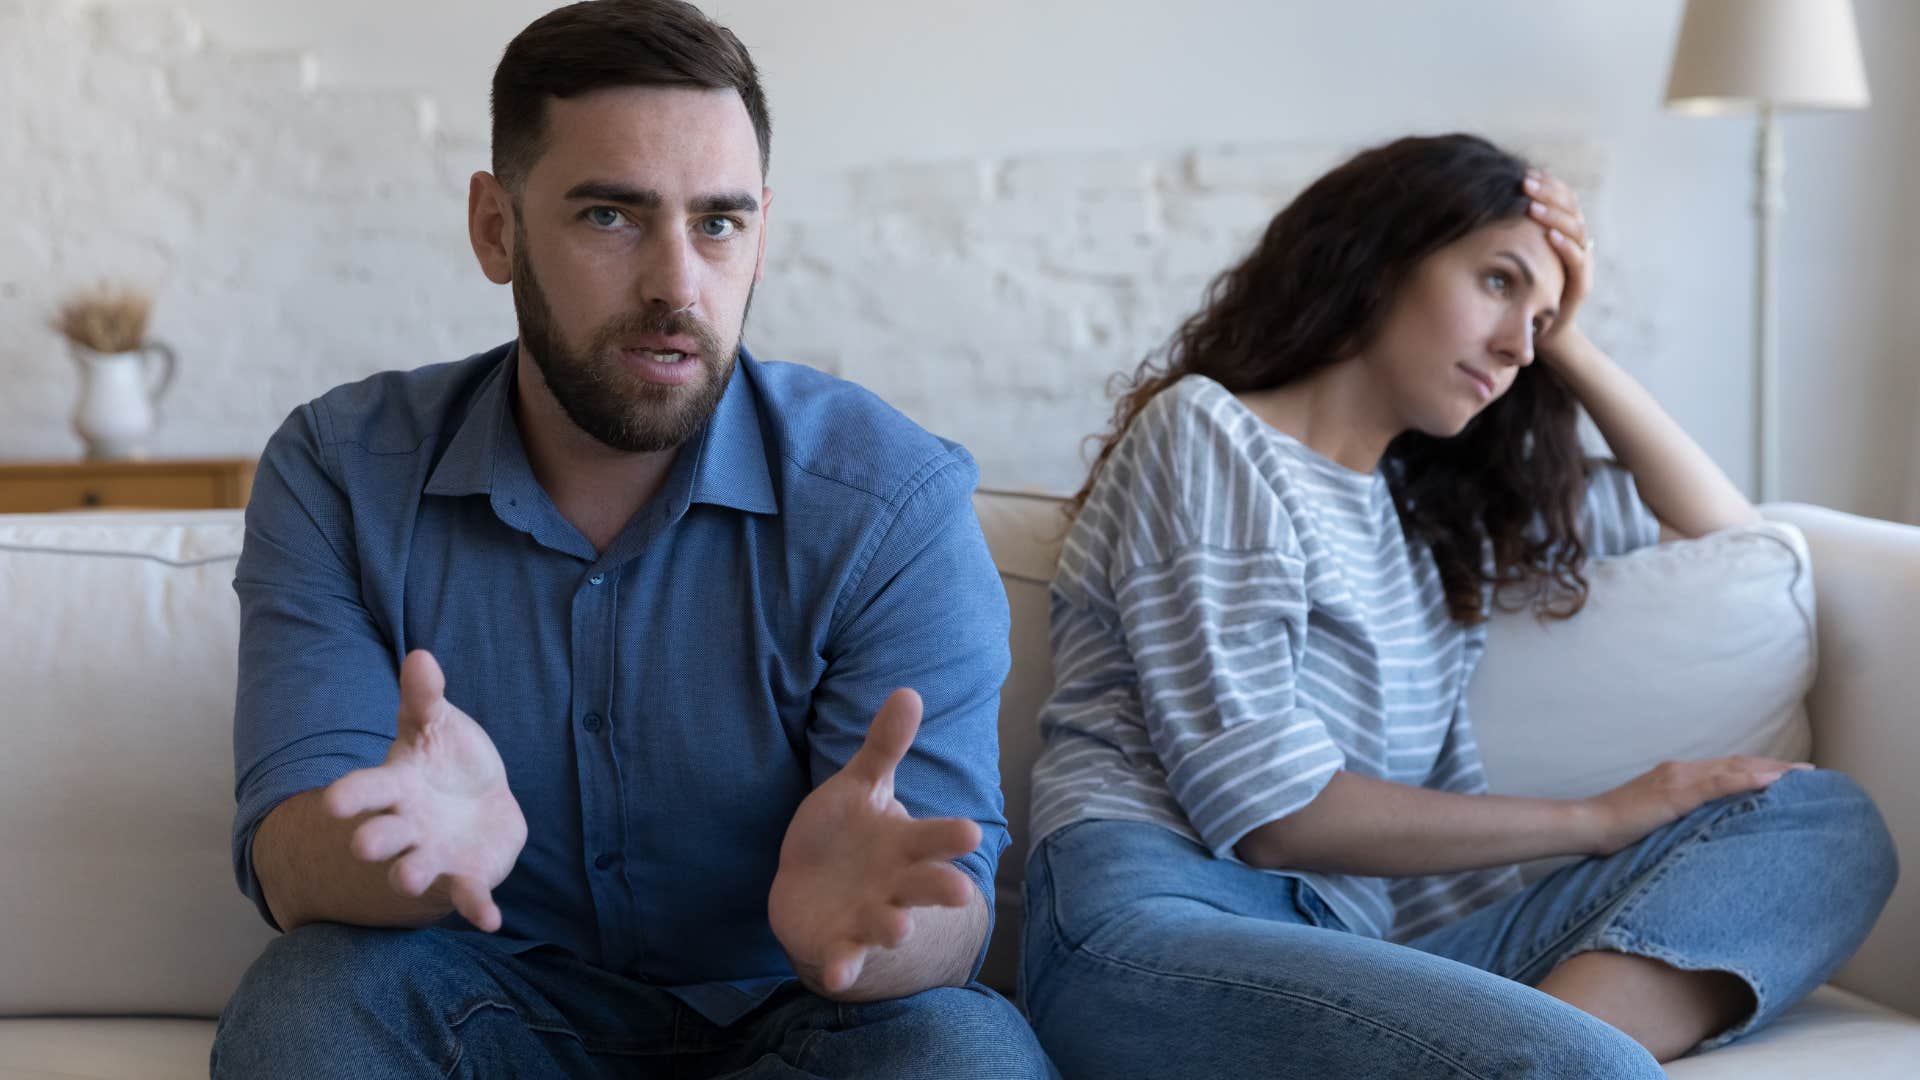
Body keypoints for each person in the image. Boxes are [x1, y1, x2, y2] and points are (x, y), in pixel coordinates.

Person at [210, 2, 1054, 1077]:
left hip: (800, 1020)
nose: (675, 285)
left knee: (962, 1049)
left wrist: (873, 932)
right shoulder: (344, 471)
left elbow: (952, 912)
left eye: (718, 222)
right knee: (312, 1005)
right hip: (488, 1008)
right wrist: (402, 857)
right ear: (495, 227)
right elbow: (288, 856)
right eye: (611, 216)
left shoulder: (888, 499)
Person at [1018, 133, 1897, 1079]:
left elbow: (1730, 533)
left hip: (1372, 961)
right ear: (1381, 255)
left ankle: (1513, 1056)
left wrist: (1574, 345)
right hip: (1164, 926)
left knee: (1823, 826)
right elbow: (1272, 814)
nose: (1519, 343)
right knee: (1573, 1063)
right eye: (1499, 283)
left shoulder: (1435, 524)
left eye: (1543, 322)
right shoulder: (1208, 433)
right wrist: (1601, 818)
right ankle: (1540, 1057)